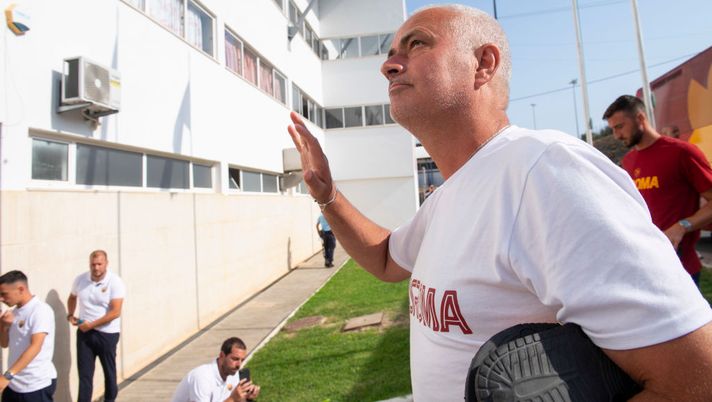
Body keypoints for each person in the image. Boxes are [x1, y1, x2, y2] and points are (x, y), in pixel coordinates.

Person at [286, 5, 712, 401]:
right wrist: (327, 194)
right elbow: (384, 260)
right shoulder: (452, 192)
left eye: (417, 44)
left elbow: (695, 381)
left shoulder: (546, 172)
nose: (388, 64)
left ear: (483, 64)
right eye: (391, 52)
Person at [604, 95, 712, 286]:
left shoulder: (682, 152)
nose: (616, 136)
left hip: (681, 268)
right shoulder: (628, 162)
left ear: (640, 119)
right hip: (645, 268)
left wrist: (682, 225)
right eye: (613, 129)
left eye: (620, 127)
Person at [66, 250, 126, 402]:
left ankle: (110, 399)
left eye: (99, 264)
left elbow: (115, 312)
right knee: (85, 375)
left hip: (107, 334)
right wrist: (71, 315)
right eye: (93, 264)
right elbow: (72, 297)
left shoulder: (115, 282)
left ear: (106, 263)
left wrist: (91, 325)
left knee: (109, 373)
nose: (96, 268)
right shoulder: (80, 280)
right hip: (85, 334)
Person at [0, 270, 57, 401]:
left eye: (4, 294)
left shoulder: (40, 311)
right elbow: (4, 343)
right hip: (14, 383)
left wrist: (7, 376)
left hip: (35, 385)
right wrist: (2, 325)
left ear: (21, 289)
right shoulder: (13, 312)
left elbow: (35, 346)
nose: (1, 299)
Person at [171, 337, 260, 402]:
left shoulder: (233, 374)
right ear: (222, 355)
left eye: (242, 360)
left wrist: (247, 398)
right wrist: (233, 399)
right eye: (235, 359)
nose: (239, 365)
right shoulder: (202, 377)